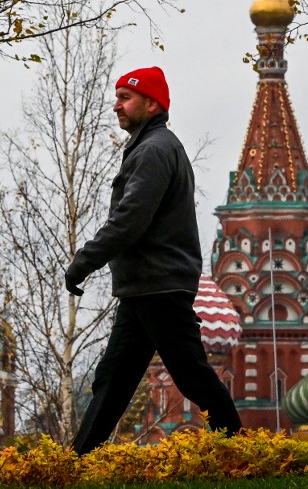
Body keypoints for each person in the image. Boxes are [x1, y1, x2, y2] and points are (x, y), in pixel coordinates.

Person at [64, 66, 242, 454]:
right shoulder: (152, 147)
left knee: (191, 374)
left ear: (152, 103)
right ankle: (78, 460)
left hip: (159, 284)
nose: (116, 106)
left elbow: (130, 220)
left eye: (125, 98)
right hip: (145, 286)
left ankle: (242, 450)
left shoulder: (154, 150)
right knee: (113, 378)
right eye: (117, 98)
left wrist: (83, 261)